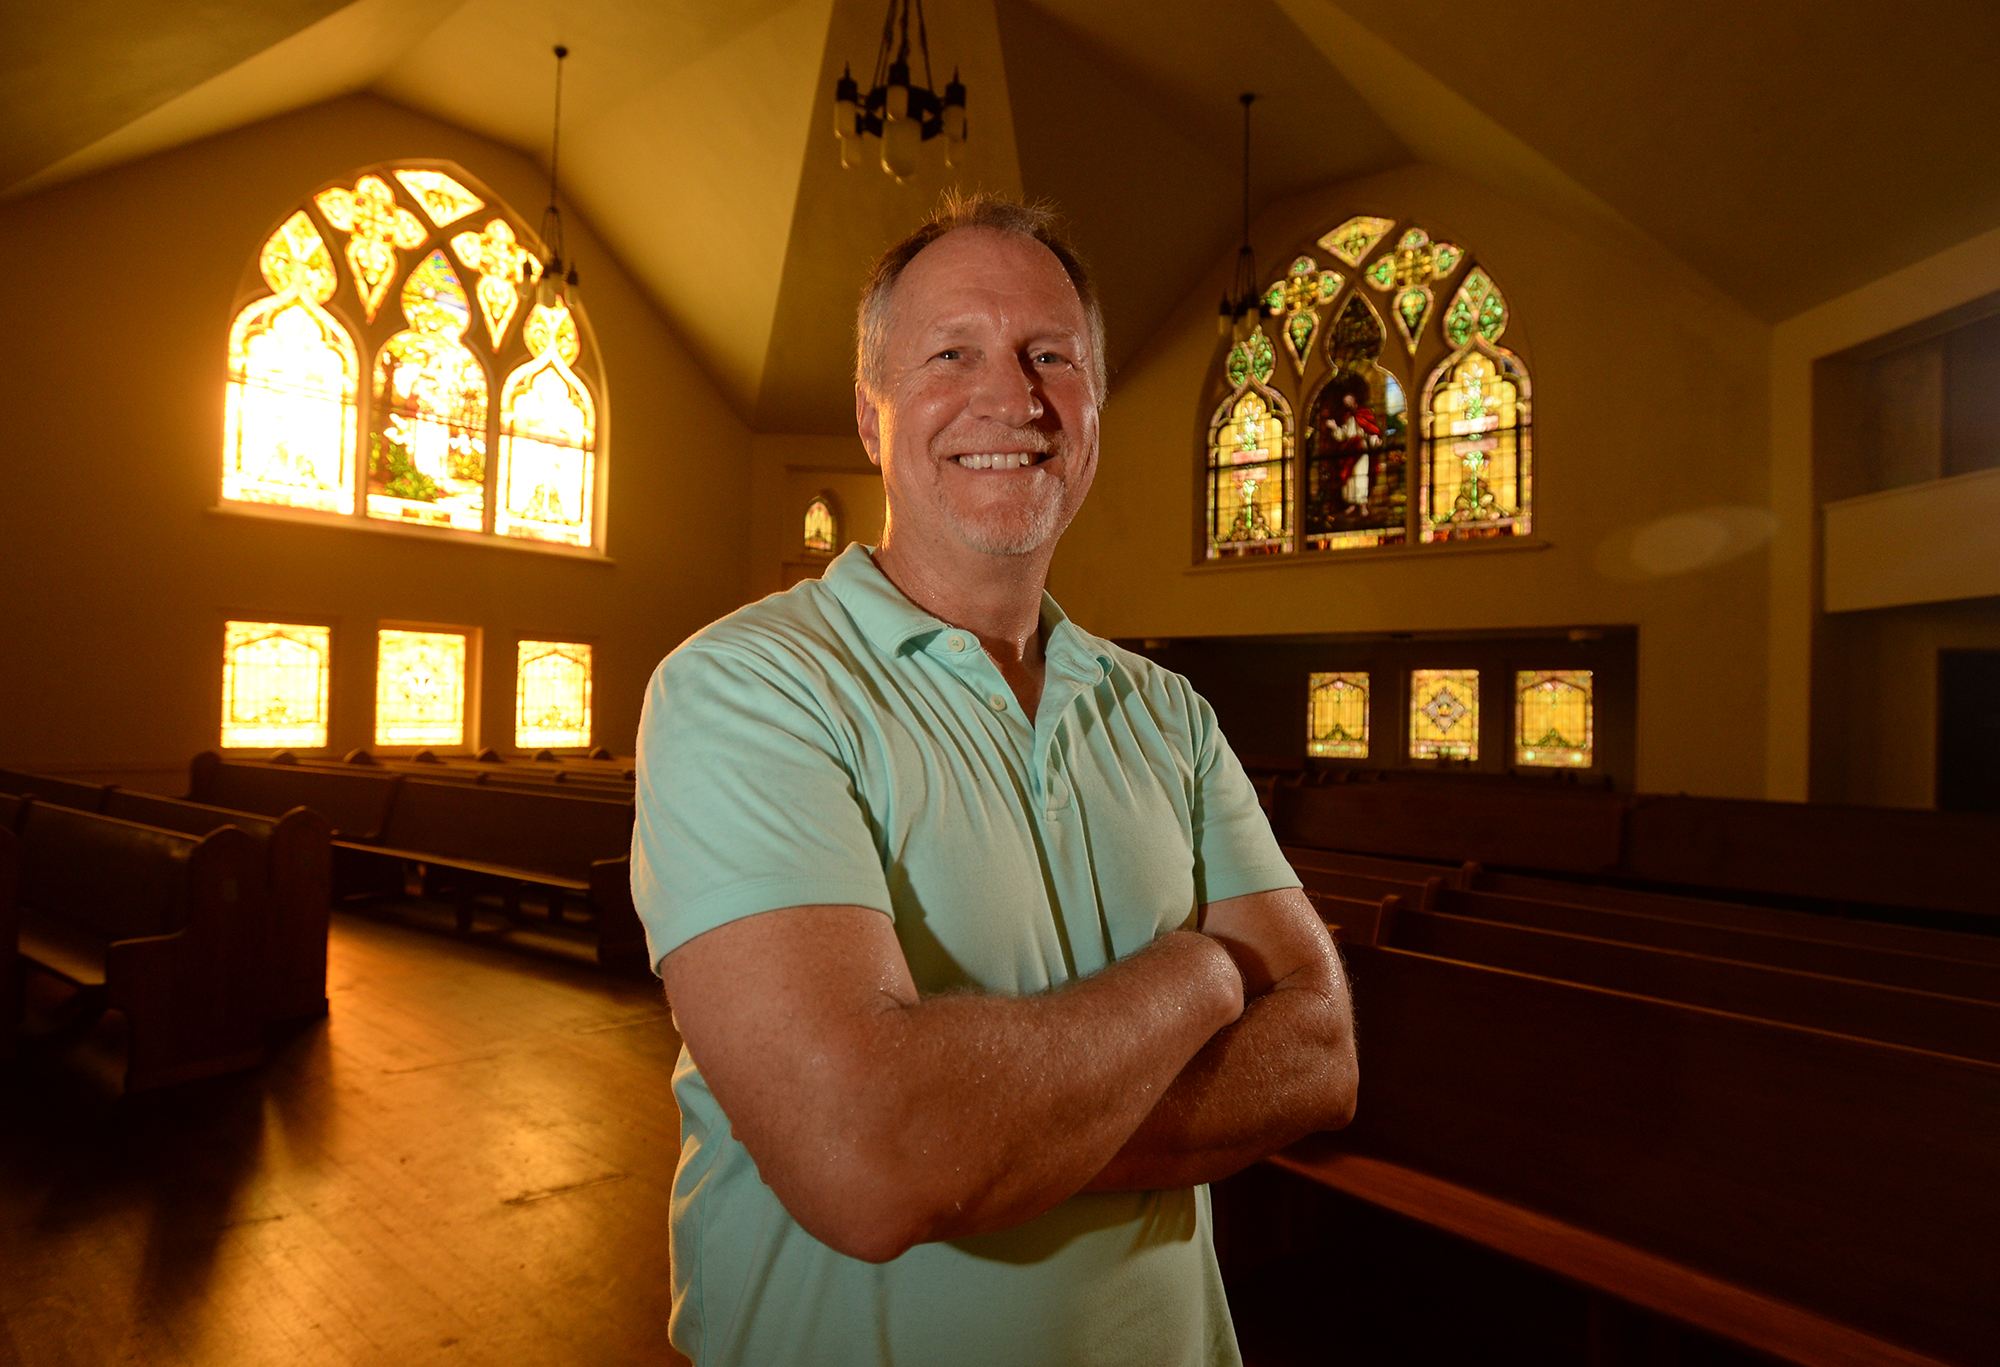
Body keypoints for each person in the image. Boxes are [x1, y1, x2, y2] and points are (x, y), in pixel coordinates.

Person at [631, 192, 1358, 1367]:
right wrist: (1201, 971)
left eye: (1048, 356)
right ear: (871, 419)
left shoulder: (1166, 713)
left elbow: (1320, 1055)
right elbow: (868, 1161)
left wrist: (978, 1141)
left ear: (1092, 413)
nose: (1010, 398)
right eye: (950, 353)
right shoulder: (746, 687)